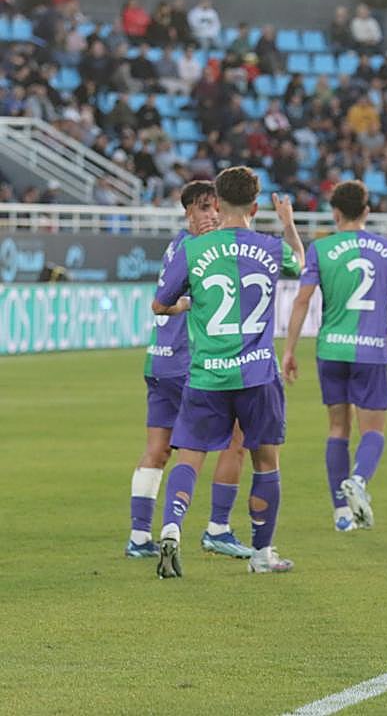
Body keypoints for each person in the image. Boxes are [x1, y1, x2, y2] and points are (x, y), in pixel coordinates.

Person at [151, 167, 303, 577]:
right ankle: (261, 554)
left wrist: (188, 305)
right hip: (257, 374)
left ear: (216, 204)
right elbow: (301, 264)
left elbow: (161, 304)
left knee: (189, 455)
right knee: (265, 461)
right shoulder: (271, 247)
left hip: (207, 374)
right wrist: (288, 224)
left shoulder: (194, 249)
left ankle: (170, 528)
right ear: (256, 206)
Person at [127, 181, 252, 561]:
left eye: (216, 208)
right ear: (187, 212)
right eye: (203, 208)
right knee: (235, 437)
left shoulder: (176, 245)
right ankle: (218, 527)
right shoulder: (197, 249)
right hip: (186, 362)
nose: (212, 215)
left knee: (157, 450)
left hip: (158, 359)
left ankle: (138, 537)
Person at [282, 180, 387, 532]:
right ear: (367, 212)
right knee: (373, 431)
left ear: (335, 213)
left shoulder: (320, 250)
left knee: (337, 429)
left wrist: (290, 350)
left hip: (331, 350)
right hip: (371, 351)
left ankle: (341, 513)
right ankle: (357, 480)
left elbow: (301, 301)